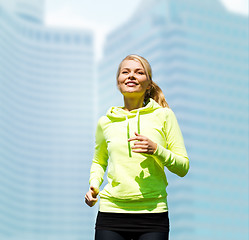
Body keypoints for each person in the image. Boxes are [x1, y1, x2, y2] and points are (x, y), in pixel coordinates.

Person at [85, 54, 189, 240]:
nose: (131, 75)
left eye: (139, 72)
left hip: (153, 214)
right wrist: (93, 185)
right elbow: (99, 161)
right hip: (111, 212)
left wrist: (157, 150)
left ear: (148, 84)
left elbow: (183, 167)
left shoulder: (164, 116)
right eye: (125, 72)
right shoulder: (105, 122)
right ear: (118, 81)